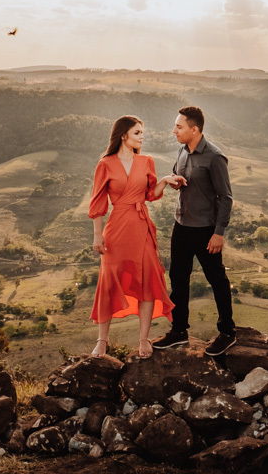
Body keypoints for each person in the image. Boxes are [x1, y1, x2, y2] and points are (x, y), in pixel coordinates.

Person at [88, 115, 183, 359]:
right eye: (138, 133)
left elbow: (150, 195)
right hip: (116, 229)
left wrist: (163, 180)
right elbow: (98, 201)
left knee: (148, 280)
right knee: (110, 282)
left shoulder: (146, 161)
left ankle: (143, 339)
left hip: (141, 228)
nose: (142, 137)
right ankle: (102, 341)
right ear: (123, 136)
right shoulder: (106, 164)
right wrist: (97, 236)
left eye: (142, 132)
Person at [152, 105, 236, 356]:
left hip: (206, 230)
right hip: (182, 226)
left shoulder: (214, 157)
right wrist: (175, 181)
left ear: (194, 129)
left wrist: (219, 233)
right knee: (178, 280)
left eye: (179, 127)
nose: (174, 131)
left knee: (217, 280)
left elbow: (226, 197)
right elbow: (178, 176)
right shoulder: (182, 151)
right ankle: (179, 331)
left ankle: (228, 332)